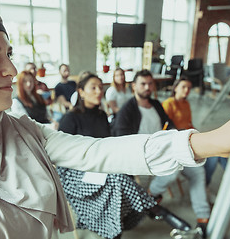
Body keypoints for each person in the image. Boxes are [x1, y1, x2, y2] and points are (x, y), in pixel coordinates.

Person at [0, 3, 230, 239]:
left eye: (8, 53)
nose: (11, 70)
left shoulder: (22, 133)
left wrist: (209, 141)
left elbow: (99, 152)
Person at [56, 73, 191, 239]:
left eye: (101, 87)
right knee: (117, 179)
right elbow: (62, 156)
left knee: (119, 177)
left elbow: (108, 145)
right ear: (81, 92)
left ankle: (114, 232)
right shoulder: (70, 119)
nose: (99, 91)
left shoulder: (101, 116)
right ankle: (155, 209)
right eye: (93, 88)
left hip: (99, 166)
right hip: (75, 173)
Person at [150, 77, 211, 237]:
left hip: (187, 145)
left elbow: (189, 124)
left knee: (198, 172)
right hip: (173, 146)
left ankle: (203, 217)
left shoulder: (186, 104)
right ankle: (151, 194)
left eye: (189, 87)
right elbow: (164, 129)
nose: (187, 90)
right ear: (175, 87)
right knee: (173, 173)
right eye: (184, 86)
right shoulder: (168, 104)